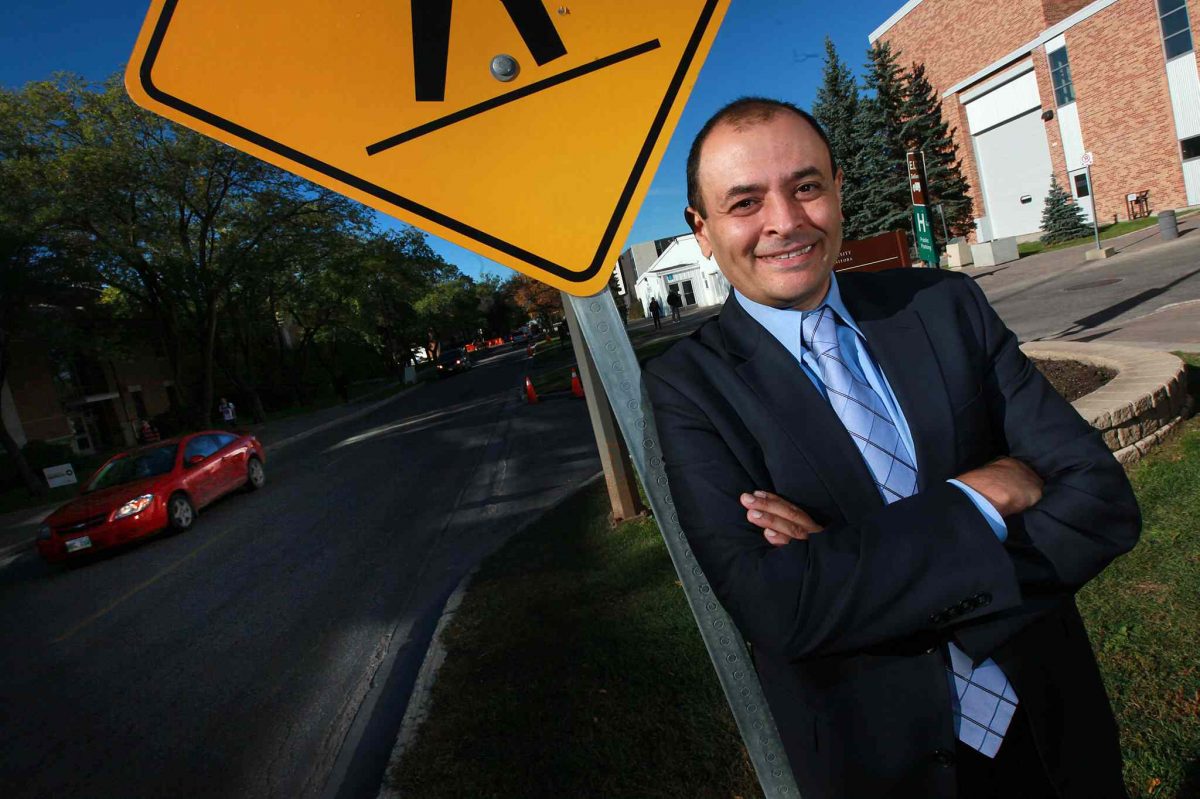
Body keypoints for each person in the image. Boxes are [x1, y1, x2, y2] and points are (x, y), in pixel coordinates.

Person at [644, 98, 1139, 799]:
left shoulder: (944, 306)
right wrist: (980, 496)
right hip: (883, 763)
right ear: (702, 229)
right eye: (746, 202)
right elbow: (782, 606)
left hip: (1055, 726)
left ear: (838, 190)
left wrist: (850, 562)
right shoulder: (688, 388)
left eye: (806, 186)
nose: (785, 222)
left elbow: (1101, 499)